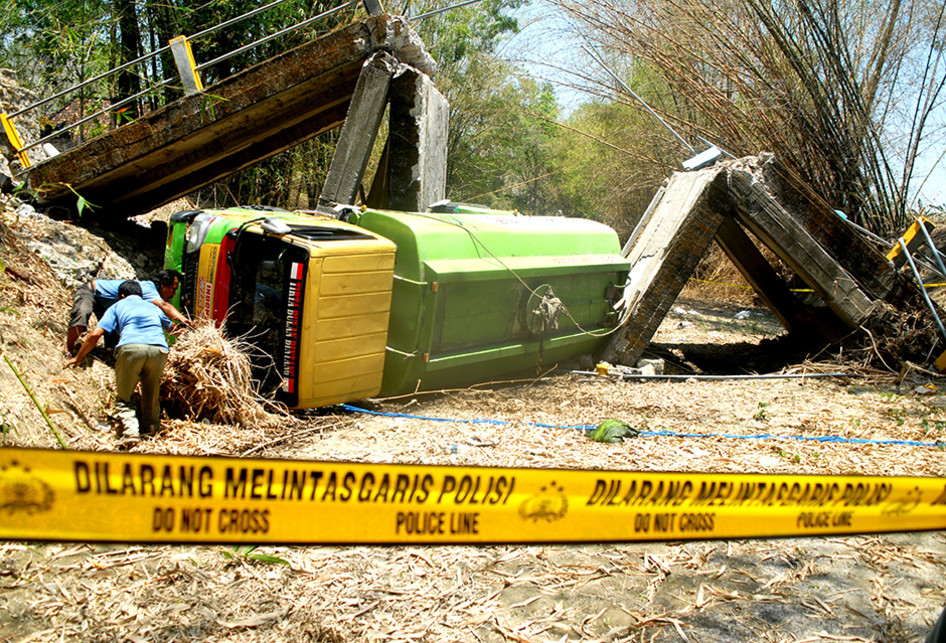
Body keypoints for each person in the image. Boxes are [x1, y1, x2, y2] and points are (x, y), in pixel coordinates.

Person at [65, 280, 173, 446]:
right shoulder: (153, 307)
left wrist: (78, 357)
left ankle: (131, 433)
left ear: (121, 295)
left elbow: (95, 334)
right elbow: (172, 327)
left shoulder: (117, 306)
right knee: (151, 394)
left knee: (124, 397)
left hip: (131, 349)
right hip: (159, 350)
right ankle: (151, 429)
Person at [66, 268, 187, 353]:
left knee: (118, 339)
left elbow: (167, 324)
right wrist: (185, 320)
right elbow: (164, 306)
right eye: (173, 289)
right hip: (92, 291)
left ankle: (106, 352)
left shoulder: (149, 301)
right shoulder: (148, 288)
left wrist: (186, 335)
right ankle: (68, 349)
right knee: (83, 313)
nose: (174, 293)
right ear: (163, 285)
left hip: (108, 306)